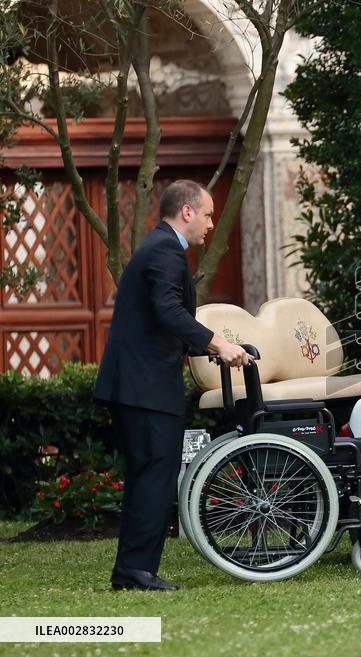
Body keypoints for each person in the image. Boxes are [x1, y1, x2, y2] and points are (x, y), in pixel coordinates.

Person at [94, 180, 251, 590]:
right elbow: (168, 311)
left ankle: (132, 570)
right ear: (186, 211)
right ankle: (135, 572)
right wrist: (218, 342)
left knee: (151, 474)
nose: (211, 224)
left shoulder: (159, 246)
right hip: (143, 387)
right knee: (155, 474)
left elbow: (162, 317)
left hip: (139, 385)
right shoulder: (165, 251)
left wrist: (210, 348)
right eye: (208, 214)